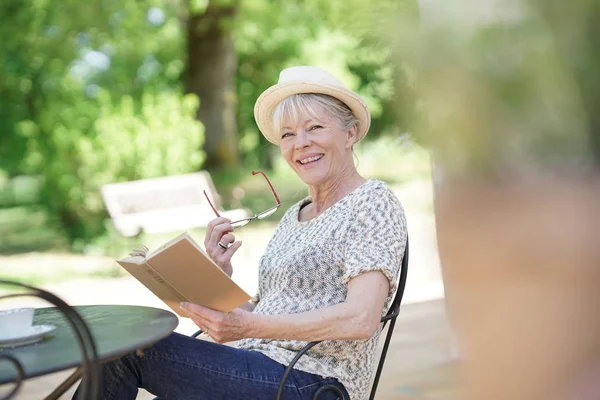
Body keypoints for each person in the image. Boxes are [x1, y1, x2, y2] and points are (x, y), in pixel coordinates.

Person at [75, 66, 407, 400]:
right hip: (257, 366)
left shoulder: (372, 202)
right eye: (288, 135)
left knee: (127, 350)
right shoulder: (296, 215)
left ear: (350, 134)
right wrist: (217, 280)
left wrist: (249, 327)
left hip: (314, 382)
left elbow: (361, 318)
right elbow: (265, 315)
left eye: (315, 128)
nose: (301, 144)